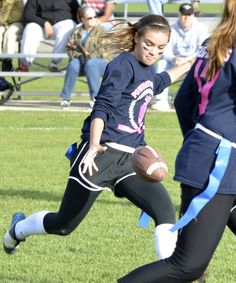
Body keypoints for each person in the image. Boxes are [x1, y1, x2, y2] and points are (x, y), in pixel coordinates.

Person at [3, 14, 192, 264]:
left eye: (160, 48)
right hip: (100, 154)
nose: (153, 52)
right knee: (64, 224)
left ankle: (172, 275)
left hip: (132, 158)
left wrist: (193, 61)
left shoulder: (147, 70)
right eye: (148, 44)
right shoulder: (122, 65)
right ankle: (18, 228)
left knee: (165, 212)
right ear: (136, 37)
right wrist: (93, 145)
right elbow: (101, 107)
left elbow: (158, 82)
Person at [118, 0, 236, 282]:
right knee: (187, 265)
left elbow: (184, 102)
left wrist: (200, 145)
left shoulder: (214, 41)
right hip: (218, 165)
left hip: (210, 156)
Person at [151, 2, 208, 111]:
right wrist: (173, 58)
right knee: (162, 63)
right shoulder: (170, 29)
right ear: (179, 15)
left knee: (205, 65)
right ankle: (160, 101)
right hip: (175, 61)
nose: (185, 18)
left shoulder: (201, 29)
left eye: (189, 15)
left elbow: (203, 50)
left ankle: (201, 100)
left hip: (194, 62)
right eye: (183, 14)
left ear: (193, 16)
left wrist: (188, 61)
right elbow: (165, 48)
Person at [60, 6, 109, 109]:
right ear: (82, 19)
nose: (93, 19)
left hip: (101, 62)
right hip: (82, 61)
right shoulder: (77, 32)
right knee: (73, 64)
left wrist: (88, 56)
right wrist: (79, 55)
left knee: (91, 64)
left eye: (94, 17)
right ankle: (65, 98)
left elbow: (104, 50)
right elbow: (69, 48)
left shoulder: (101, 31)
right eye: (89, 18)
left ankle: (96, 98)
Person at [18, 0, 79, 72]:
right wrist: (44, 23)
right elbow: (27, 15)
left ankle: (54, 63)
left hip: (62, 24)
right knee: (30, 28)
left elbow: (78, 13)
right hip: (40, 25)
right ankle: (25, 64)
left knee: (69, 25)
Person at [0, 0, 24, 71]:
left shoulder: (18, 1)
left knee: (10, 33)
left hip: (17, 23)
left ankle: (7, 61)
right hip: (3, 24)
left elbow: (17, 17)